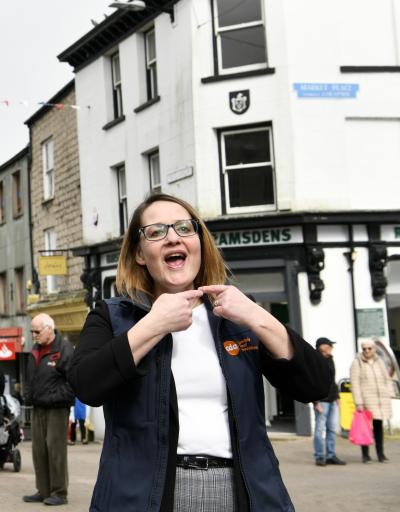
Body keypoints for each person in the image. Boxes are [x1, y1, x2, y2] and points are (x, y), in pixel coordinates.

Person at [67, 193, 330, 511]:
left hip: (241, 493)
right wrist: (154, 325)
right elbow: (86, 384)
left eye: (184, 228)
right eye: (156, 231)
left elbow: (316, 385)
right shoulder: (112, 316)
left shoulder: (236, 318)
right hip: (146, 497)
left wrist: (258, 317)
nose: (173, 237)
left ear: (200, 243)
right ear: (139, 253)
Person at [22, 313, 74, 506]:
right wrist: (29, 394)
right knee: (39, 451)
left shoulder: (64, 350)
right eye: (32, 331)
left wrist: (55, 397)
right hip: (38, 407)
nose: (33, 335)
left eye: (36, 331)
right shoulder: (36, 349)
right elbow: (30, 378)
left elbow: (73, 382)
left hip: (57, 408)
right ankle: (43, 490)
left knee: (56, 451)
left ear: (49, 329)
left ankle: (60, 493)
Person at [350, 338, 394, 463]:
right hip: (366, 401)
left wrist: (389, 392)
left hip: (380, 399)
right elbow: (355, 383)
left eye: (369, 348)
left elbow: (387, 379)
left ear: (374, 349)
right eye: (364, 349)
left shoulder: (380, 362)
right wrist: (359, 402)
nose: (367, 351)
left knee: (379, 427)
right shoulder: (357, 363)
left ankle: (381, 454)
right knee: (365, 428)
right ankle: (365, 455)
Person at [312, 337, 346, 466]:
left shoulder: (330, 359)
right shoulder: (315, 360)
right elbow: (312, 382)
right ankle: (320, 456)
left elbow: (333, 380)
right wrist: (316, 402)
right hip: (322, 401)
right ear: (322, 347)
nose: (332, 347)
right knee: (320, 429)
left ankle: (331, 455)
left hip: (332, 399)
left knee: (331, 428)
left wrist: (337, 396)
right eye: (329, 345)